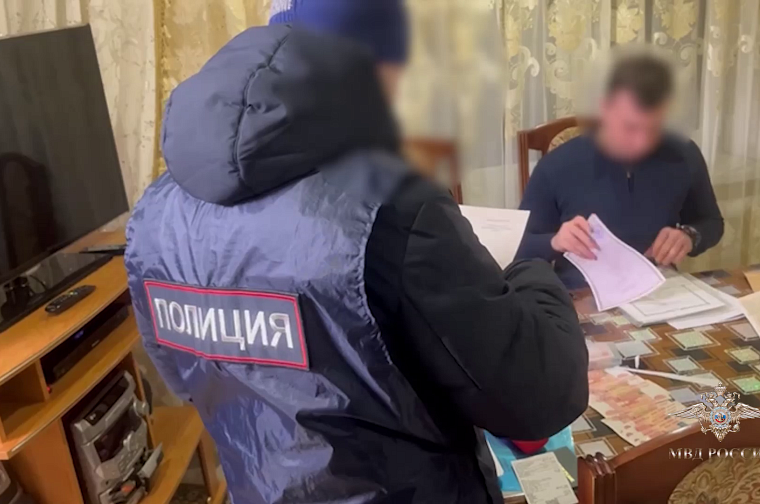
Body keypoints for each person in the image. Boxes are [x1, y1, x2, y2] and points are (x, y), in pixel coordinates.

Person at [125, 1, 588, 502]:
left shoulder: (155, 213)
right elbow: (537, 397)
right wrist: (532, 274)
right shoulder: (389, 204)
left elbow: (187, 379)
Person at [517, 52, 724, 289]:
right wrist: (555, 241)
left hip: (659, 290)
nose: (642, 142)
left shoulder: (684, 153)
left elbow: (711, 222)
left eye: (654, 128)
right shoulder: (556, 166)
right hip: (582, 294)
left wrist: (689, 235)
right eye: (630, 127)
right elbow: (519, 247)